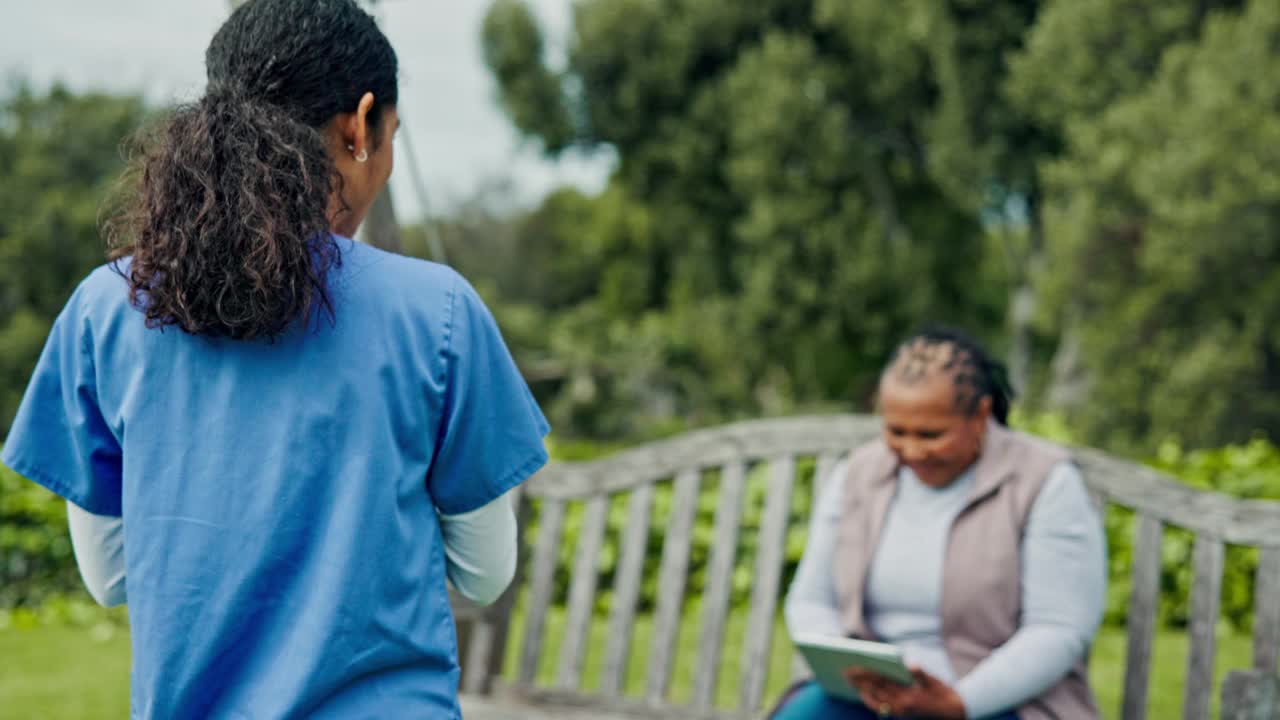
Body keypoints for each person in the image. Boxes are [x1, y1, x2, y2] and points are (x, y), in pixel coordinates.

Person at [0, 1, 549, 717]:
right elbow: (485, 573)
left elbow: (109, 577)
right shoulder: (437, 311)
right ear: (360, 127)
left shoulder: (104, 311)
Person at [773, 327, 1106, 720]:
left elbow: (1058, 629)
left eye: (931, 435)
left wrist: (959, 703)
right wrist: (849, 670)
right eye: (896, 432)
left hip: (998, 701)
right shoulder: (858, 474)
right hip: (872, 697)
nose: (911, 451)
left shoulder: (1043, 481)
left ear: (980, 415)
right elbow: (812, 600)